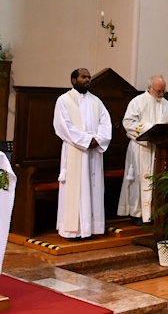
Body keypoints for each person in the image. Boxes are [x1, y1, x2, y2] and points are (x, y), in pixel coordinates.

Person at [53, 68, 112, 240]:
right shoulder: (64, 100)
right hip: (75, 149)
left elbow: (105, 123)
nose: (87, 80)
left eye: (89, 77)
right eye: (83, 77)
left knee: (92, 188)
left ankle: (91, 227)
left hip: (93, 153)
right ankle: (72, 230)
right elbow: (62, 126)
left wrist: (98, 139)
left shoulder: (96, 101)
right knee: (76, 189)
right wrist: (86, 141)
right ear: (73, 80)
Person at [118, 75, 168, 225]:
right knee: (140, 180)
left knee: (157, 180)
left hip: (160, 150)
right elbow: (128, 122)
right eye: (158, 91)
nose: (161, 94)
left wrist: (164, 131)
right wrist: (150, 129)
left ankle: (155, 212)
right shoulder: (138, 102)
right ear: (150, 88)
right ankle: (137, 213)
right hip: (141, 148)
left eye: (164, 91)